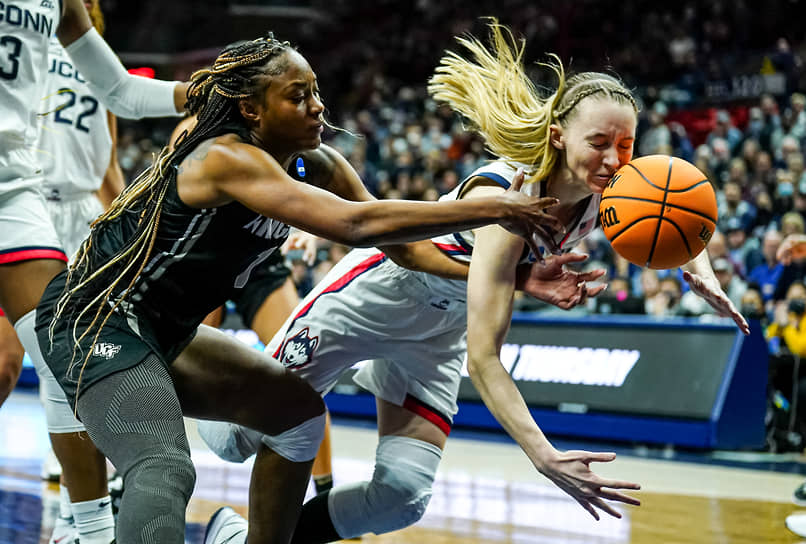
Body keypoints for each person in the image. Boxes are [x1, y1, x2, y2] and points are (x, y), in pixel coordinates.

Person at [199, 20, 749, 544]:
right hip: (377, 298)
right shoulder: (507, 203)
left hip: (437, 333)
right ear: (557, 136)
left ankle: (244, 539)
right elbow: (485, 359)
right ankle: (186, 353)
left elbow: (670, 212)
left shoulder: (613, 179)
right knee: (232, 440)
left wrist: (697, 267)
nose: (615, 160)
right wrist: (544, 455)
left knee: (402, 496)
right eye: (600, 143)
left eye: (626, 145)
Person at [34, 34, 563, 544]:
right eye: (297, 95)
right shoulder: (225, 158)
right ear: (251, 110)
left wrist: (517, 278)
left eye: (315, 91)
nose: (316, 106)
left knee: (299, 419)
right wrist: (492, 205)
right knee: (164, 466)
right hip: (96, 320)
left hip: (164, 331)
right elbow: (357, 226)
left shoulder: (320, 165)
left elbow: (405, 249)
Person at [2, 1, 188, 543]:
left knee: (68, 348)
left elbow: (121, 90)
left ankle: (88, 530)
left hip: (14, 185)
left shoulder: (59, 2)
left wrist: (199, 94)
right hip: (35, 190)